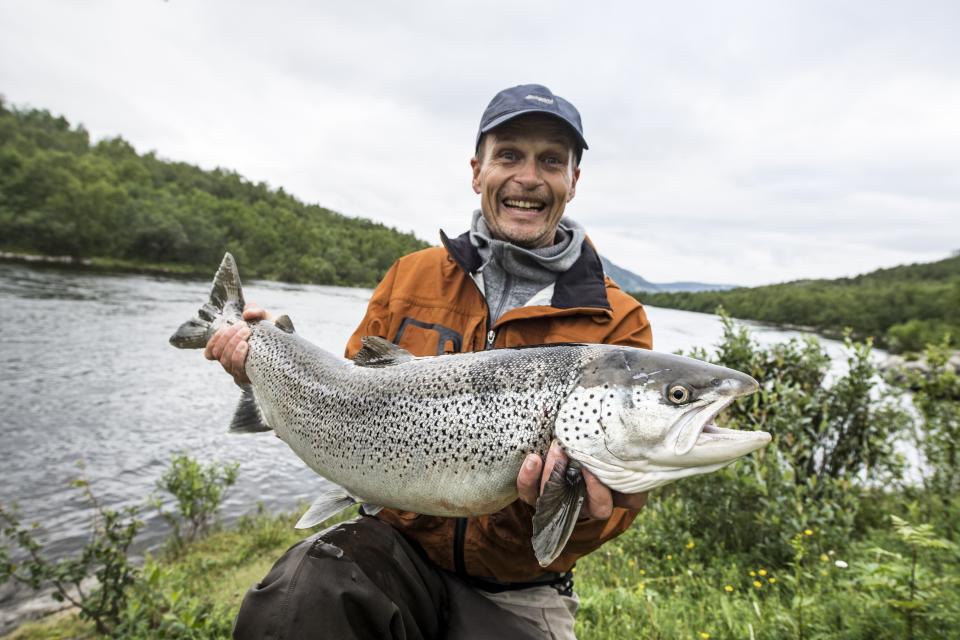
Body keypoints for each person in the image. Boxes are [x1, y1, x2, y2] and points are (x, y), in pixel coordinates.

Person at [205, 84, 653, 639]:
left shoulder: (619, 322)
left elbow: (617, 511)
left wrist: (580, 510)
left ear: (572, 182)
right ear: (477, 170)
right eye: (509, 155)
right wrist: (267, 368)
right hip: (393, 552)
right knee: (298, 595)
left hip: (522, 588)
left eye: (551, 161)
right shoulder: (409, 276)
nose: (529, 177)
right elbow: (342, 404)